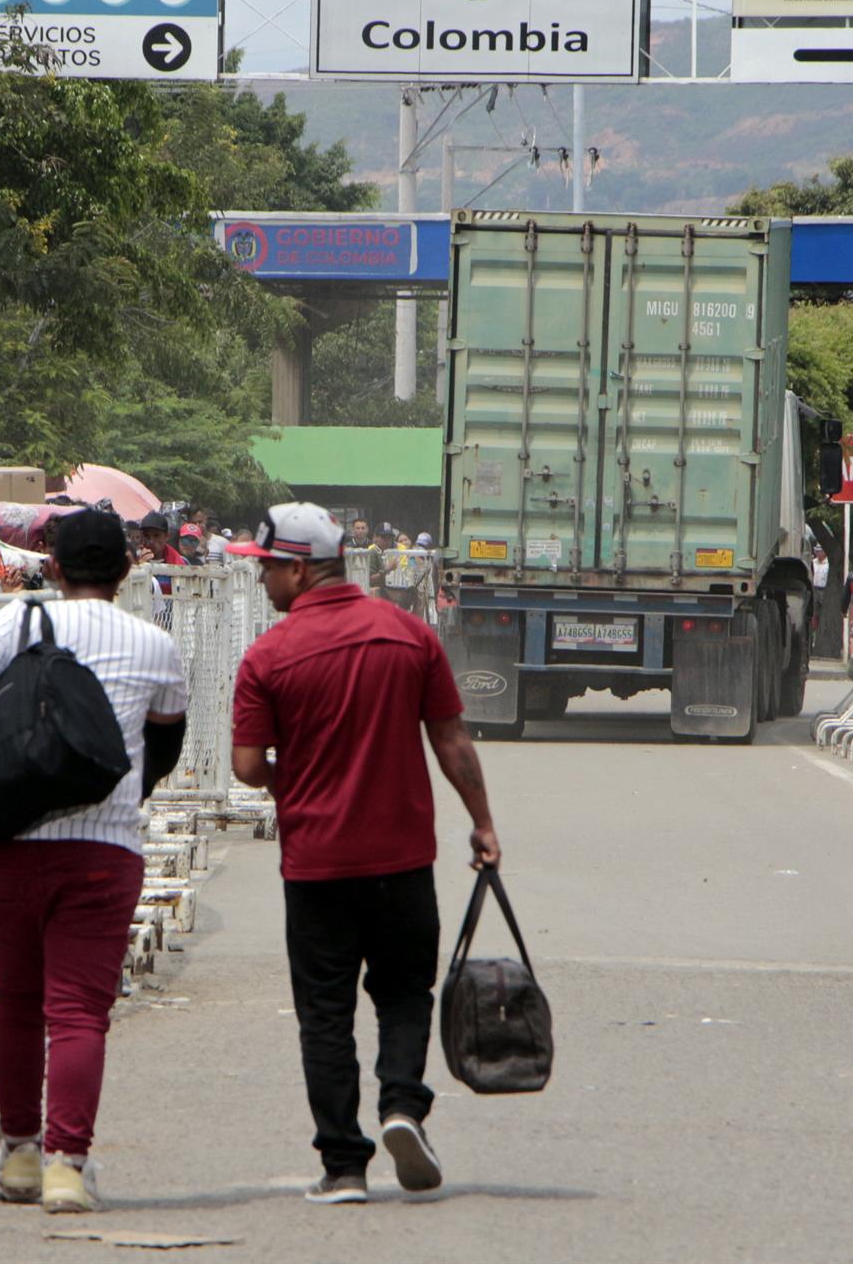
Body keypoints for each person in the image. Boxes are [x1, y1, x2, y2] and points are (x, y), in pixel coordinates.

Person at [0, 510, 187, 1210]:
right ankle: (69, 1163)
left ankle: (20, 1158)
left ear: (51, 565)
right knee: (80, 1011)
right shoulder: (156, 644)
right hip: (106, 847)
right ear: (126, 570)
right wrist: (123, 790)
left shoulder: (17, 625)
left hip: (13, 843)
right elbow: (167, 743)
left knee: (18, 1000)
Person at [227, 502, 501, 1207]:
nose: (262, 583)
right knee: (405, 992)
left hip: (316, 863)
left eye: (265, 570)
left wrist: (300, 778)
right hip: (402, 860)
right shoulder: (409, 636)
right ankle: (403, 1105)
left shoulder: (268, 657)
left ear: (297, 567)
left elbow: (249, 765)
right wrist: (483, 823)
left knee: (325, 1012)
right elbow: (452, 741)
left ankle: (345, 1165)